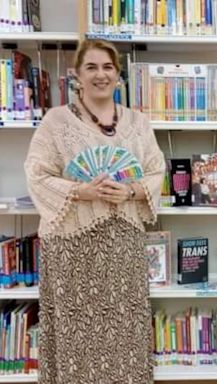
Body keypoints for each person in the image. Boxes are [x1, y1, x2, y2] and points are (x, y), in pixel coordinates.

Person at [25, 39, 165, 383]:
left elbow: (155, 170)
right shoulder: (55, 122)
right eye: (91, 67)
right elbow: (36, 173)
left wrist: (130, 190)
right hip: (72, 248)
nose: (100, 75)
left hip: (123, 247)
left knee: (124, 333)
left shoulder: (138, 123)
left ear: (118, 75)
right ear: (77, 75)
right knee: (76, 335)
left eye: (107, 67)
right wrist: (79, 191)